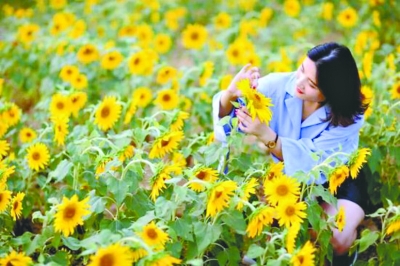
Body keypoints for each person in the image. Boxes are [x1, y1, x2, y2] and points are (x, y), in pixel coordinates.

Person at [212, 42, 368, 264]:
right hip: (289, 180)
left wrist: (267, 136)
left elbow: (314, 164)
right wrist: (230, 95)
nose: (300, 83)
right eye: (302, 69)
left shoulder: (348, 117)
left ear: (332, 92)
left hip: (338, 178)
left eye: (312, 83)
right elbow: (228, 122)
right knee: (264, 227)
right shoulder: (278, 86)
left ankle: (349, 248)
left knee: (336, 236)